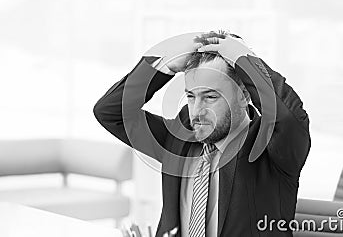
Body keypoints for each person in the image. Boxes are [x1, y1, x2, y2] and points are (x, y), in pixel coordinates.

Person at [93, 31, 311, 237]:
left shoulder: (273, 148)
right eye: (190, 96)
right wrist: (164, 66)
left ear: (244, 95)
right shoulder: (177, 141)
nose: (197, 111)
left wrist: (244, 60)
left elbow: (290, 118)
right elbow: (111, 112)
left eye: (210, 97)